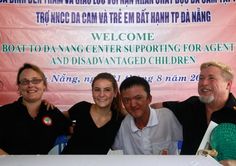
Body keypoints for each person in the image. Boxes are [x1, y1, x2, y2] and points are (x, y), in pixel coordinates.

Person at [151, 61, 236, 163]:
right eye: (201, 78)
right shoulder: (191, 105)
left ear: (228, 84)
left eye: (211, 78)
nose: (204, 83)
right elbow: (156, 106)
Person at [0, 63, 71, 155]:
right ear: (19, 87)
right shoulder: (4, 113)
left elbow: (71, 133)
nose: (30, 85)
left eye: (35, 81)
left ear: (44, 85)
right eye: (25, 82)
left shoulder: (53, 113)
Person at [112, 76, 182, 154]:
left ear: (149, 98)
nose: (133, 104)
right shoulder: (123, 125)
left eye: (138, 98)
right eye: (127, 100)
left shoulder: (167, 117)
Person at [61, 72, 124, 154]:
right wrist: (68, 128)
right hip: (67, 161)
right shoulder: (82, 107)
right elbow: (58, 118)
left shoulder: (119, 117)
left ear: (115, 93)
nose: (101, 94)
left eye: (107, 90)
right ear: (92, 92)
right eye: (97, 90)